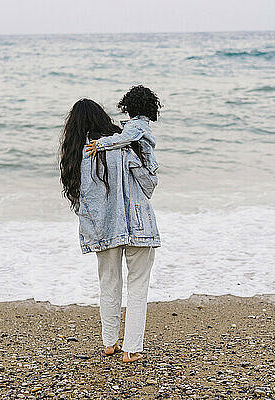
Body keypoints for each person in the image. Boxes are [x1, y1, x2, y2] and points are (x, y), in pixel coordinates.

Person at [59, 98, 161, 363]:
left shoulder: (75, 155)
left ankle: (109, 343)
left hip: (102, 228)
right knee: (138, 285)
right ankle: (132, 348)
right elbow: (149, 184)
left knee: (108, 283)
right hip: (137, 222)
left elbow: (81, 202)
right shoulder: (124, 145)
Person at [85, 85, 161, 174]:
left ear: (129, 107)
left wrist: (99, 144)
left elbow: (122, 139)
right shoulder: (143, 125)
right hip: (149, 171)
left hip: (144, 173)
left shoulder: (135, 125)